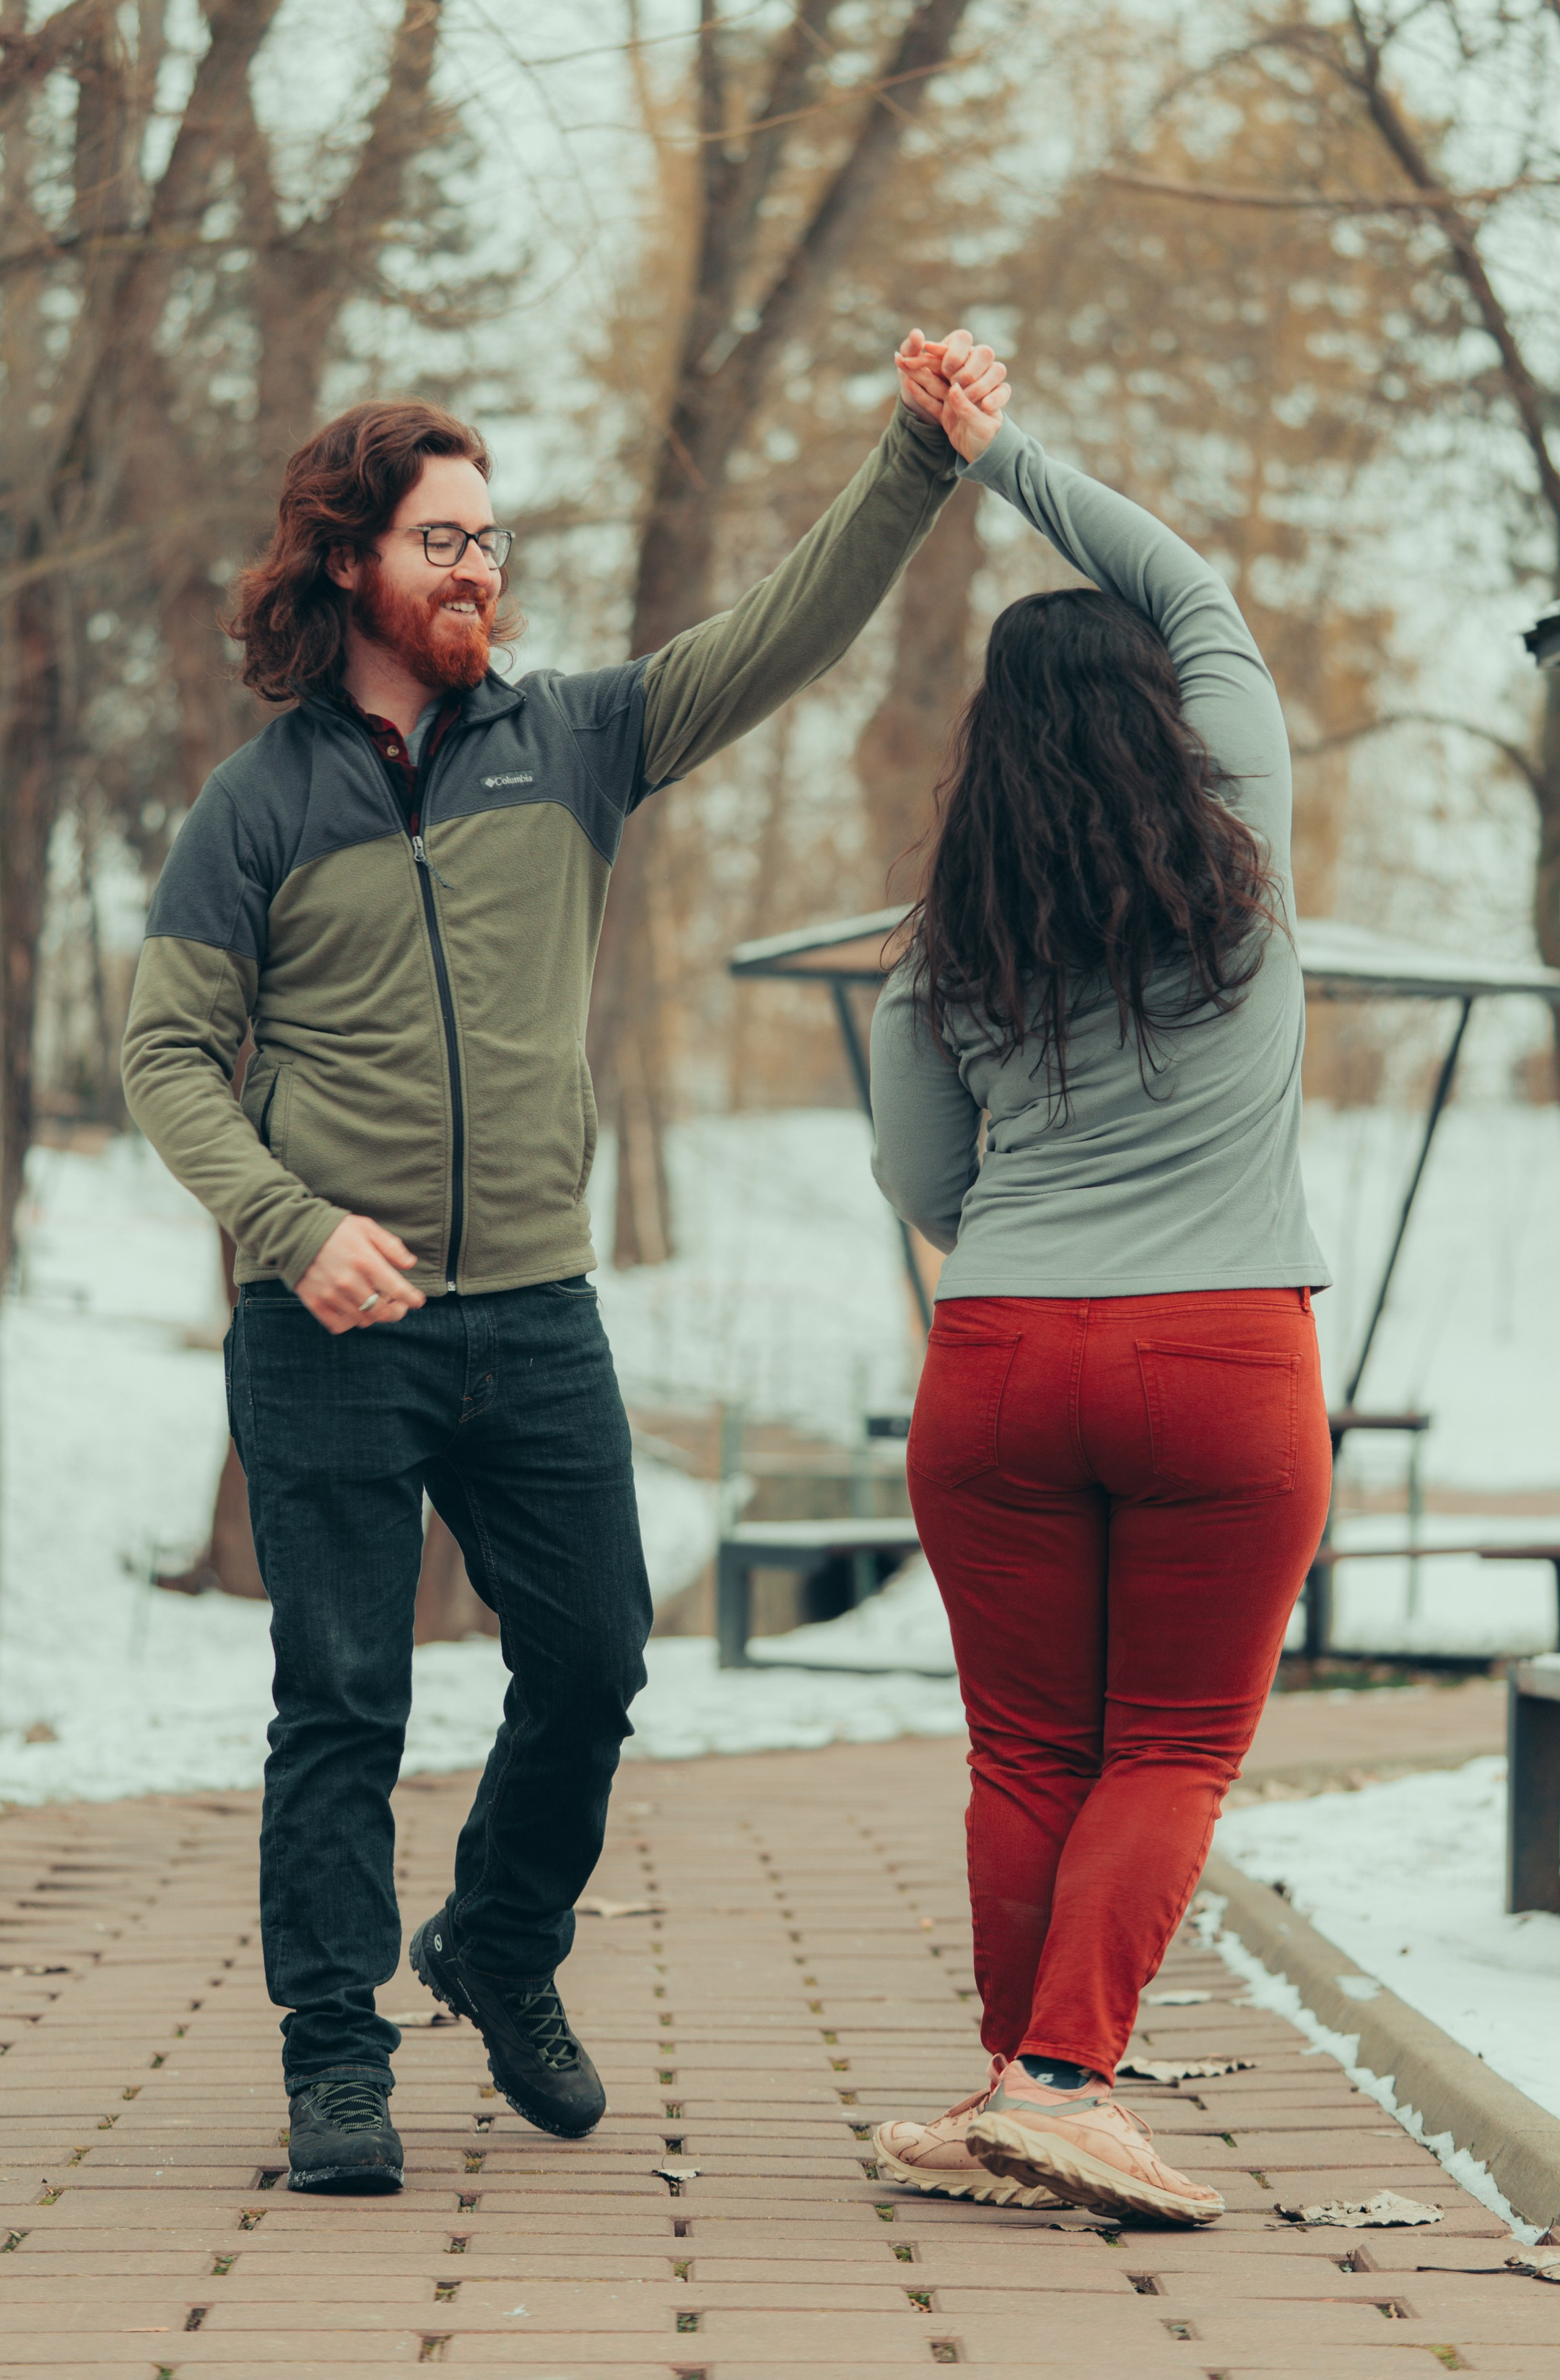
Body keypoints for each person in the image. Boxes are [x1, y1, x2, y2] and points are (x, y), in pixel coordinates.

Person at [121, 332, 1006, 2196]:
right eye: (443, 538)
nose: (480, 569)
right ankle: (336, 2057)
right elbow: (168, 1061)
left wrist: (915, 460)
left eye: (494, 539)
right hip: (329, 1331)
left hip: (532, 1314)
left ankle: (500, 1946)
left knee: (595, 1658)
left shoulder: (579, 743)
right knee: (344, 1694)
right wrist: (291, 1230)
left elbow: (780, 632)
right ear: (347, 559)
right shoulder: (258, 808)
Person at [866, 334, 1332, 2228]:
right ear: (1165, 717)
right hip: (1223, 1356)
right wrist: (1000, 453)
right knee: (1172, 1746)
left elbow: (924, 1177)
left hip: (996, 1359)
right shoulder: (1247, 850)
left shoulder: (950, 933)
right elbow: (1192, 583)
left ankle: (1019, 2087)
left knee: (1029, 1749)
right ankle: (1062, 2082)